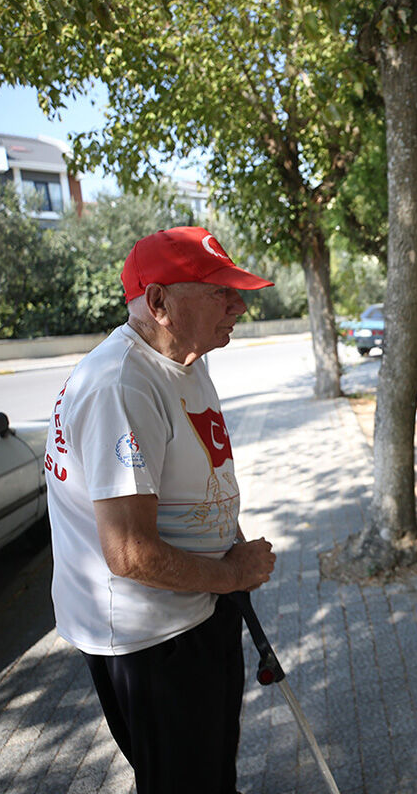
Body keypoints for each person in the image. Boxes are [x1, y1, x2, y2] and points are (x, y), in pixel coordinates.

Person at [45, 226, 278, 794]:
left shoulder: (188, 358)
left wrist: (231, 556)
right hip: (150, 634)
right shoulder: (120, 385)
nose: (238, 306)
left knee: (212, 766)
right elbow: (128, 553)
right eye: (219, 292)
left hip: (202, 601)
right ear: (159, 303)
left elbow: (203, 469)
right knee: (182, 779)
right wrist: (231, 574)